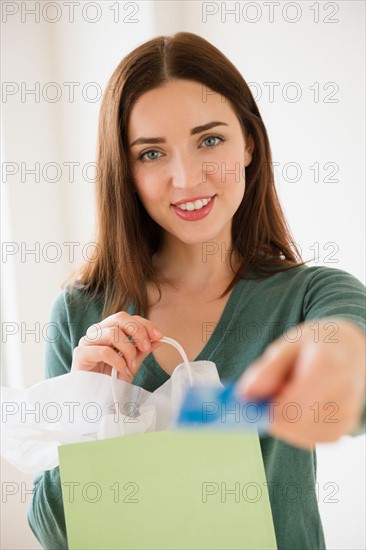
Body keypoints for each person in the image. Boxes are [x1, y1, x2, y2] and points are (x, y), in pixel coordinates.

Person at [28, 32, 365, 549]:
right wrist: (87, 407)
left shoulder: (311, 295)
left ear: (249, 143)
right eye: (151, 153)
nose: (186, 179)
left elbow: (352, 363)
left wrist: (337, 355)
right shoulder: (79, 313)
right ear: (126, 171)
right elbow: (55, 533)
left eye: (210, 140)